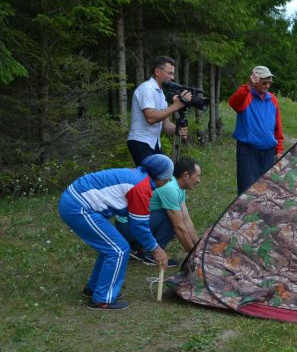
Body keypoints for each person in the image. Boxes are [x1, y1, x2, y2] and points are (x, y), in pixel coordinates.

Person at [58, 154, 172, 310]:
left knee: (111, 248)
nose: (167, 182)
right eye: (166, 179)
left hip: (75, 200)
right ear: (159, 177)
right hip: (78, 206)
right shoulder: (141, 186)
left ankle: (95, 287)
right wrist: (156, 249)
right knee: (118, 250)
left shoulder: (139, 176)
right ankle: (102, 299)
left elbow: (132, 215)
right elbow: (139, 226)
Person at [117, 157, 202, 267]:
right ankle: (150, 254)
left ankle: (139, 246)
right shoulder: (170, 189)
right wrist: (194, 256)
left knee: (176, 217)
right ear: (186, 175)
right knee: (172, 219)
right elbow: (179, 227)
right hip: (127, 227)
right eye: (197, 176)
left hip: (133, 223)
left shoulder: (179, 188)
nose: (199, 180)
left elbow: (186, 219)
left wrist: (199, 247)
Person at [228, 65, 284, 195]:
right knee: (247, 190)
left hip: (268, 152)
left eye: (269, 83)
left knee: (266, 189)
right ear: (256, 81)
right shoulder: (246, 96)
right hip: (248, 152)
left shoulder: (273, 100)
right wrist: (248, 85)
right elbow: (233, 102)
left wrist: (279, 149)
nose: (267, 86)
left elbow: (278, 127)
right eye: (264, 82)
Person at [127, 56, 191, 166]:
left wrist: (178, 129)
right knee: (153, 178)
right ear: (157, 71)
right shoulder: (146, 89)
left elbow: (165, 126)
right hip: (140, 141)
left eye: (173, 74)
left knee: (165, 173)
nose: (172, 77)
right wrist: (175, 106)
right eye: (170, 73)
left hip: (154, 142)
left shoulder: (160, 94)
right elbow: (151, 118)